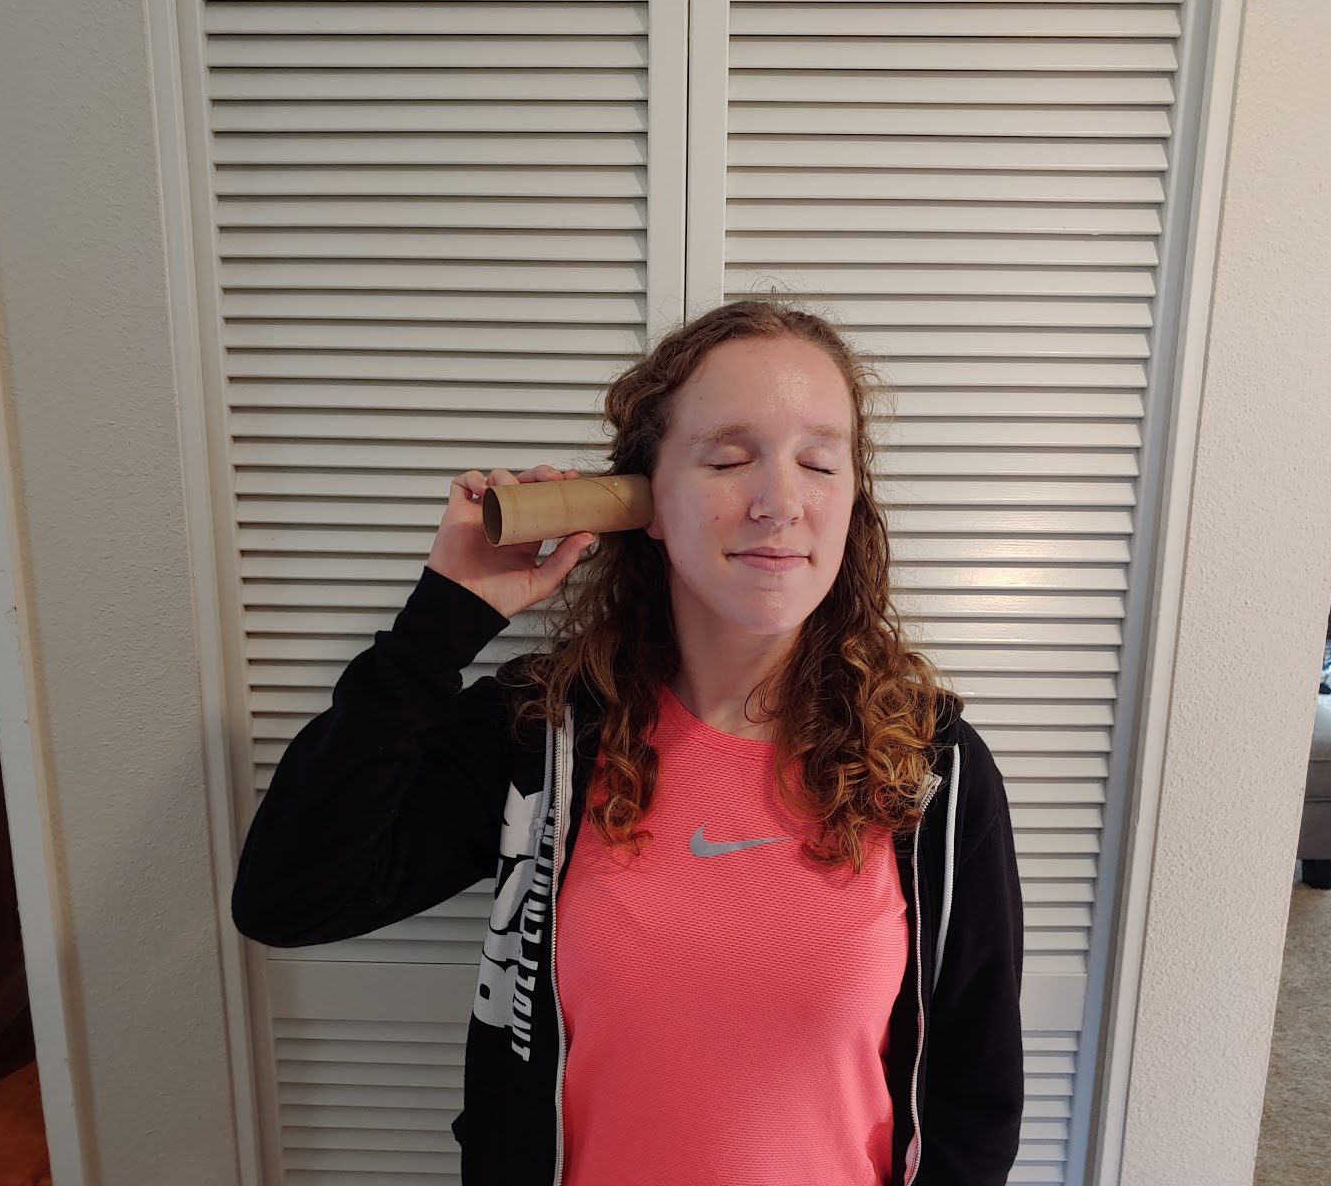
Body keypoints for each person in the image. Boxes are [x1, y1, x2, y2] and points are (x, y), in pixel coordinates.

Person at [231, 300, 1024, 1186]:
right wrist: (440, 623)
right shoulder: (545, 737)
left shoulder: (932, 770)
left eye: (818, 462)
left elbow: (973, 1099)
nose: (779, 502)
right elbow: (289, 897)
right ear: (645, 501)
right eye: (728, 459)